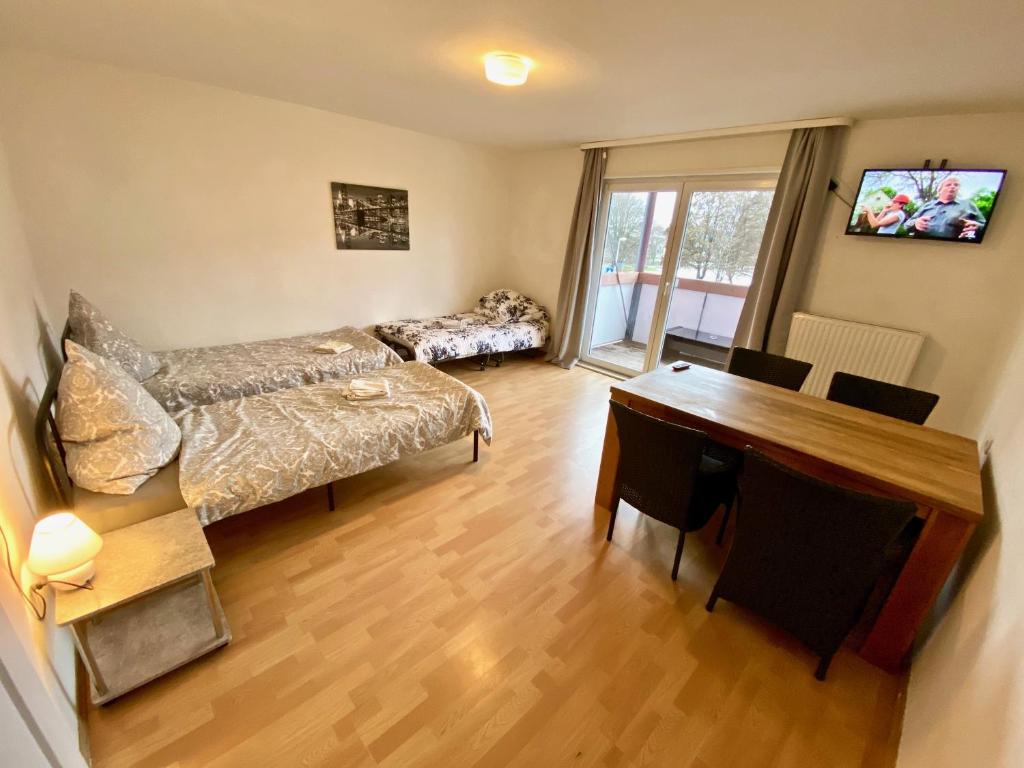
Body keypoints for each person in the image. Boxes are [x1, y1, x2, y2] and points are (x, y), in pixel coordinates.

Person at [903, 177, 986, 240]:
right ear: (940, 190)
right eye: (948, 185)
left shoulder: (968, 204)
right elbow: (906, 225)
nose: (953, 187)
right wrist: (915, 223)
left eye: (956, 185)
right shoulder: (927, 206)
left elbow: (984, 224)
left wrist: (978, 227)